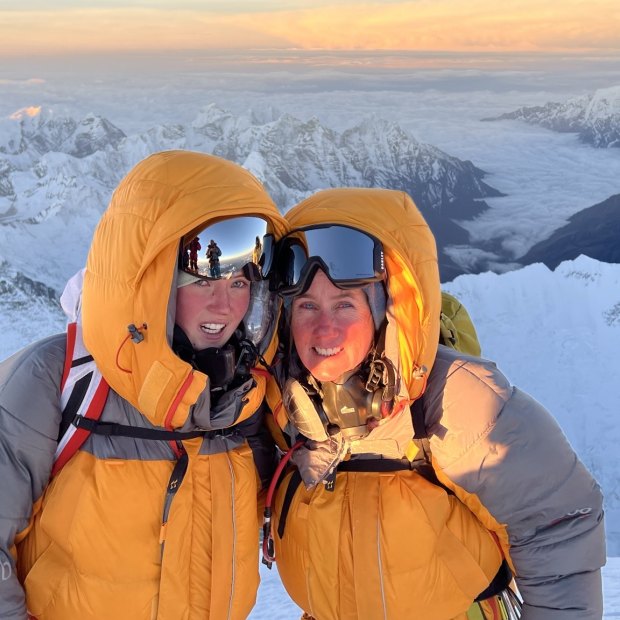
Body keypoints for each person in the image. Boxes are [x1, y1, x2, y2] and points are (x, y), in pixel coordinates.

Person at [265, 188, 606, 619]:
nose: (323, 331)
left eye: (345, 305)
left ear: (384, 311)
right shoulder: (283, 404)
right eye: (307, 307)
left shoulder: (455, 399)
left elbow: (558, 520)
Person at [0, 150, 288, 619]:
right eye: (202, 282)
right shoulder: (58, 379)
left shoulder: (242, 398)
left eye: (240, 284)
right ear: (151, 283)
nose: (224, 306)